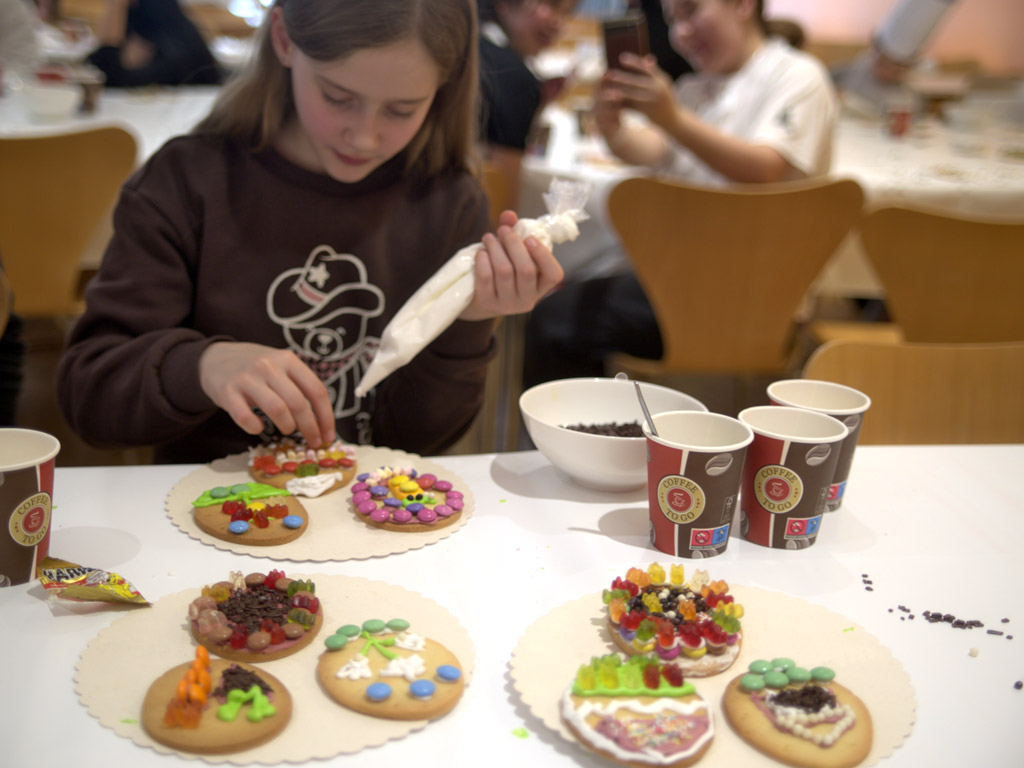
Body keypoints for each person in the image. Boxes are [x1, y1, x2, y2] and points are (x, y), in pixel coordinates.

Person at [58, 0, 563, 464]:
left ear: (444, 86)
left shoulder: (448, 202)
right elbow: (90, 400)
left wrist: (470, 319)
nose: (364, 136)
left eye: (402, 110)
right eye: (337, 96)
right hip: (202, 516)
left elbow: (419, 440)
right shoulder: (189, 182)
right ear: (283, 39)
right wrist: (203, 364)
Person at [523, 0, 837, 387]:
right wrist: (612, 126)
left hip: (751, 294)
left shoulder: (797, 76)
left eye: (691, 11)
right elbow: (653, 150)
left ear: (742, 5)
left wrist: (672, 117)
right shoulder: (694, 87)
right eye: (673, 19)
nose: (681, 32)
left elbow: (766, 169)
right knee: (562, 305)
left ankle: (579, 439)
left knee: (555, 320)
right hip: (681, 279)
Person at [477, 0, 577, 206]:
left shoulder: (467, 37)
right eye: (551, 4)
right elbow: (502, 203)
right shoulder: (514, 77)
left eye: (567, 12)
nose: (559, 23)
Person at [832, 0, 958, 110]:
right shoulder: (843, 74)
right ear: (874, 51)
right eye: (883, 62)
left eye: (897, 67)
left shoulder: (910, 98)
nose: (888, 71)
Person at [86, 0, 222, 87]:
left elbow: (110, 78)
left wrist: (116, 5)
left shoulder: (175, 41)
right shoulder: (138, 28)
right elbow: (94, 69)